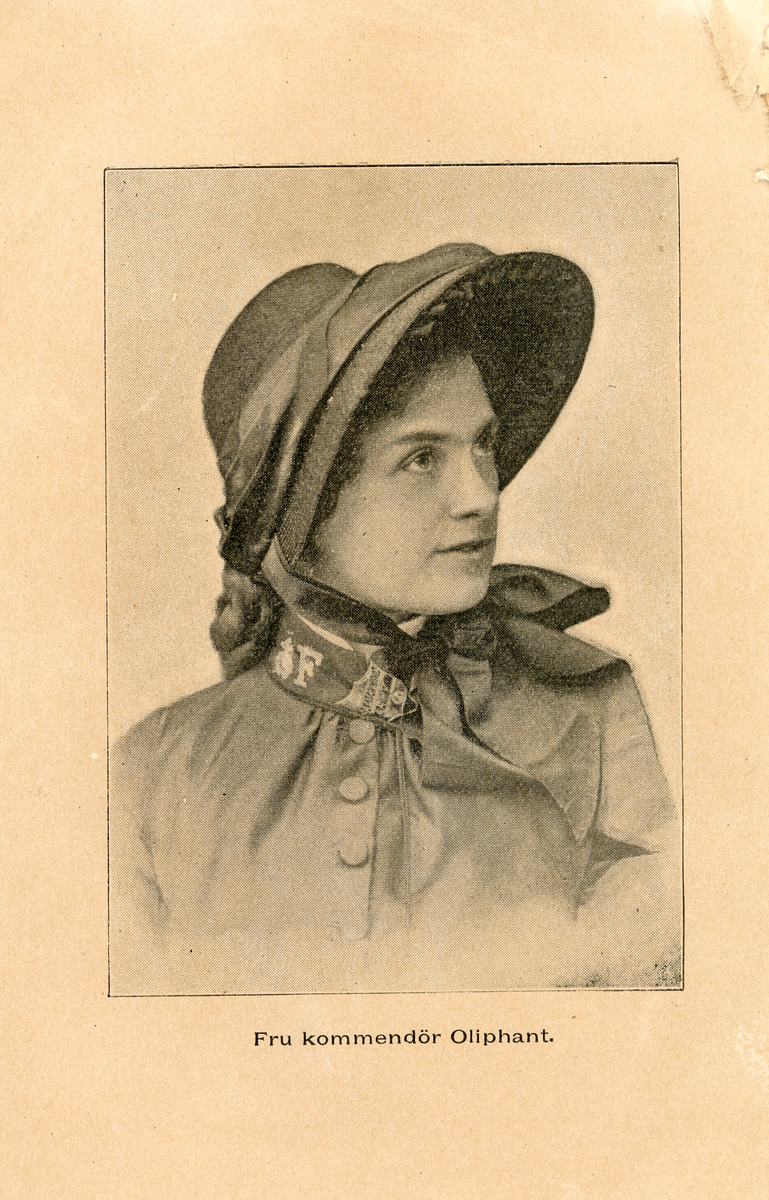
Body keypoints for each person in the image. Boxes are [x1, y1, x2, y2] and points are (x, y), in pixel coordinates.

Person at [109, 243, 680, 996]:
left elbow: (648, 1024)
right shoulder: (155, 770)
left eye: (483, 444)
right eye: (420, 459)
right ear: (303, 514)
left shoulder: (588, 711)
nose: (481, 495)